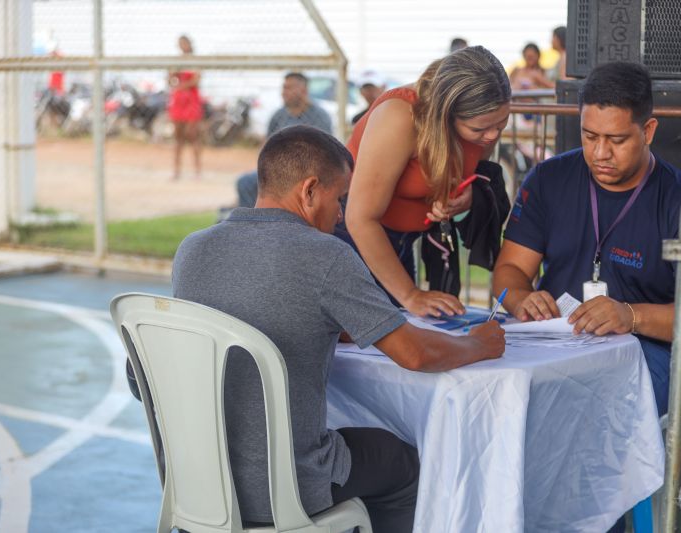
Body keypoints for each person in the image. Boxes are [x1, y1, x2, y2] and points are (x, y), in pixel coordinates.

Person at [170, 125, 505, 532]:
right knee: (405, 464)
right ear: (310, 190)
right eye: (340, 198)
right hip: (288, 486)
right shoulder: (326, 255)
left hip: (198, 480)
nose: (343, 214)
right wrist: (478, 345)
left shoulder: (192, 250)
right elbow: (414, 354)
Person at [493, 61, 681, 420]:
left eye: (617, 140)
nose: (601, 153)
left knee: (580, 413)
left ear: (648, 131)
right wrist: (524, 300)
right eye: (590, 137)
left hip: (645, 352)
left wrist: (630, 316)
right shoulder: (548, 178)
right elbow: (509, 270)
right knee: (498, 395)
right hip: (556, 340)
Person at [343, 45, 512, 317]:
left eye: (501, 124)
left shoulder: (482, 124)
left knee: (407, 325)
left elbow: (467, 171)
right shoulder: (400, 117)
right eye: (479, 129)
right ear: (445, 114)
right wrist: (410, 295)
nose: (492, 136)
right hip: (354, 244)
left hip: (402, 241)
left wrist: (463, 197)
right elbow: (360, 218)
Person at [236, 72, 333, 207]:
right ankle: (251, 225)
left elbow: (325, 153)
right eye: (284, 88)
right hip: (277, 171)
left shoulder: (320, 116)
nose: (284, 92)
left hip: (307, 172)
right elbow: (266, 146)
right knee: (245, 182)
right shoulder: (279, 115)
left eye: (289, 88)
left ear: (303, 90)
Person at [168, 35, 203, 181]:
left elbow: (196, 80)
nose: (182, 46)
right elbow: (170, 79)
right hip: (179, 101)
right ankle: (176, 170)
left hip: (191, 101)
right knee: (178, 137)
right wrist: (172, 76)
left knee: (192, 135)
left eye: (184, 43)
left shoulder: (194, 61)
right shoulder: (177, 61)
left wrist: (181, 85)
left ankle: (197, 170)